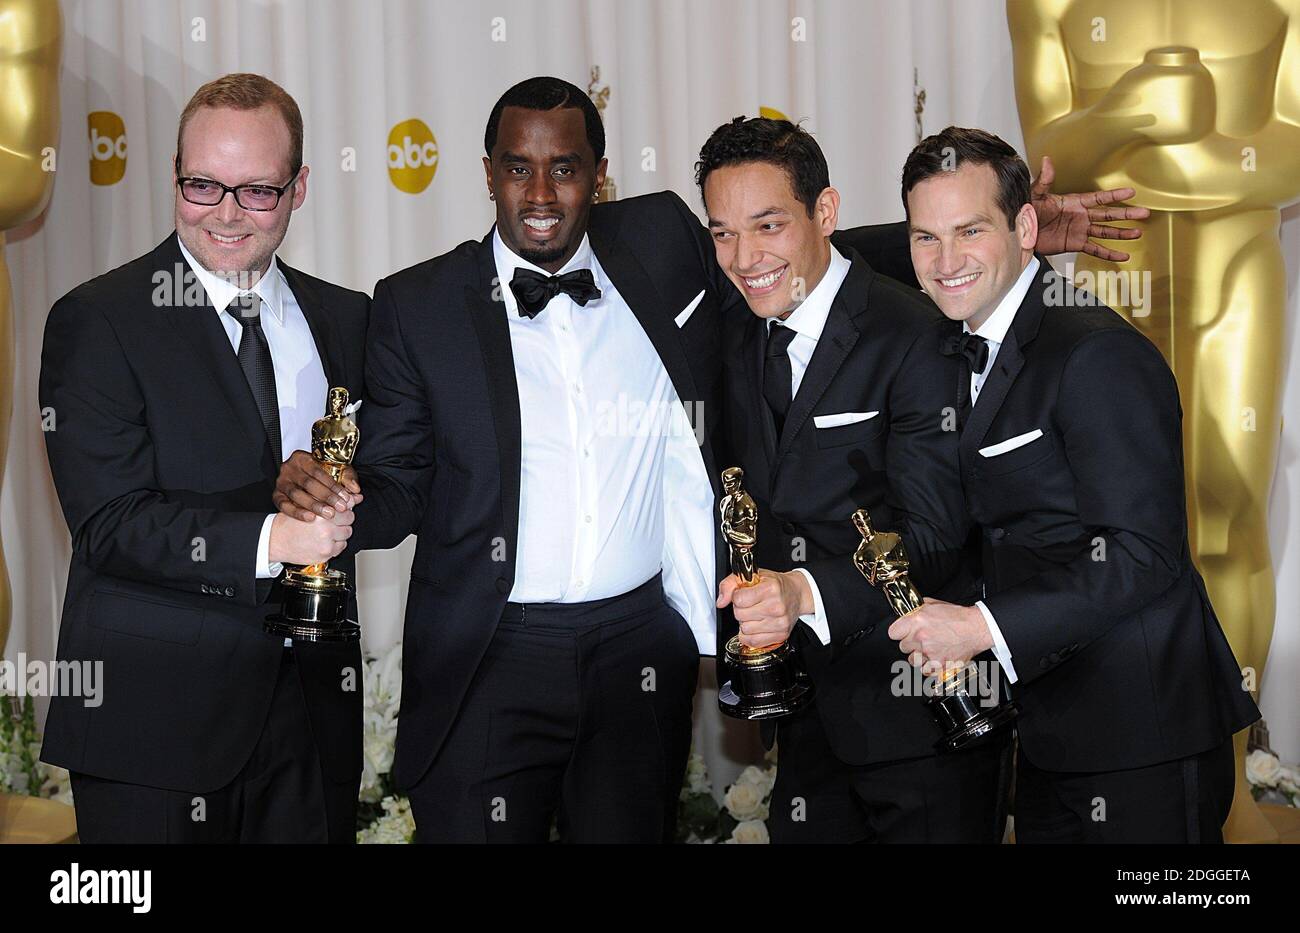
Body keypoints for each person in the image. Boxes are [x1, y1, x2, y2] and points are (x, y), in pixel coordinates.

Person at [895, 126, 1260, 843]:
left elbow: (1144, 551)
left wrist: (979, 626)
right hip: (1053, 732)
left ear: (1025, 225)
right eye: (924, 238)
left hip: (1145, 734)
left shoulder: (1095, 351)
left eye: (970, 230)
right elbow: (840, 257)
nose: (946, 260)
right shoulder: (971, 327)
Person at [39, 73, 367, 843]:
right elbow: (109, 522)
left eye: (256, 190)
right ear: (175, 175)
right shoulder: (99, 320)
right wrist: (270, 538)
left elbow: (381, 481)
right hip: (154, 726)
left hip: (312, 718)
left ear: (299, 188)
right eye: (201, 184)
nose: (224, 213)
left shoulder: (348, 318)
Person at [701, 116, 1003, 843]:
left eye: (767, 225)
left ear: (825, 212)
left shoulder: (919, 334)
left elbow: (932, 535)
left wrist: (800, 591)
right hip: (805, 720)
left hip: (923, 716)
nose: (744, 257)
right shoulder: (734, 331)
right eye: (721, 233)